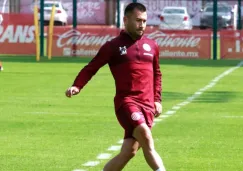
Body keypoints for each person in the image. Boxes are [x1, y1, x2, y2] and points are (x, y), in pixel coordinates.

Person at [65, 2, 166, 171]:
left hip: (147, 105)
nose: (142, 25)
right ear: (126, 20)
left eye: (144, 21)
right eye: (138, 20)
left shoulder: (152, 45)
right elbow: (92, 67)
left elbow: (157, 74)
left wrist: (157, 99)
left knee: (129, 152)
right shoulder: (113, 46)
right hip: (126, 103)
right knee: (146, 136)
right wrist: (77, 86)